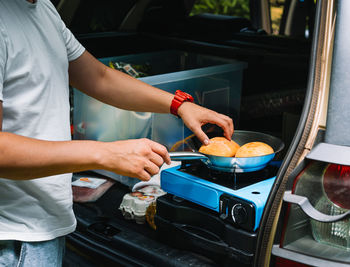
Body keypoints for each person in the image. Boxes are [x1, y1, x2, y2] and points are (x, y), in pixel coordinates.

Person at [0, 0, 234, 266]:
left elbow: (99, 77)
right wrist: (105, 153)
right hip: (12, 239)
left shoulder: (42, 8)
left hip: (43, 225)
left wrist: (180, 105)